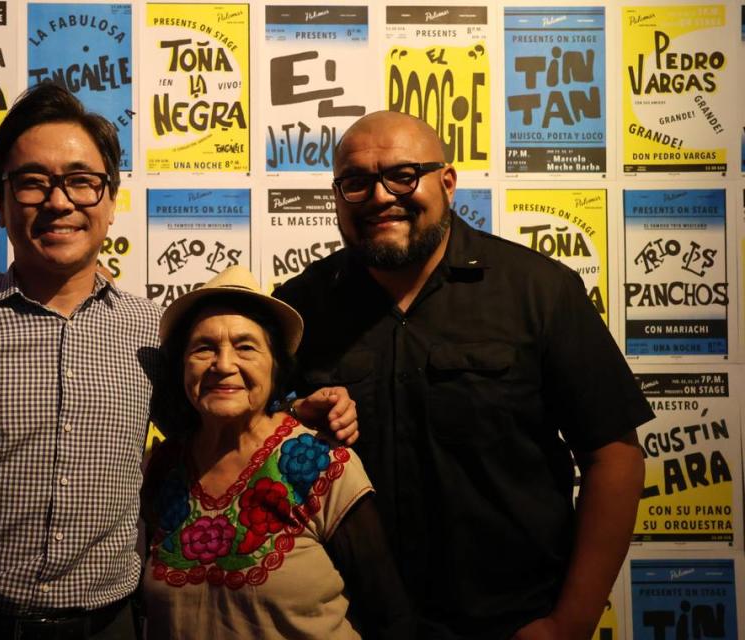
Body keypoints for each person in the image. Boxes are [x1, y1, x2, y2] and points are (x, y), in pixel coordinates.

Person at [0, 84, 356, 640]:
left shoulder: (151, 333)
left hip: (107, 625)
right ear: (0, 200)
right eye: (33, 182)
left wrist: (289, 416)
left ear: (110, 202)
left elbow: (211, 426)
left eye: (81, 182)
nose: (58, 202)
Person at [272, 111, 653, 640]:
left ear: (446, 182)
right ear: (338, 196)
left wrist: (571, 621)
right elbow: (243, 436)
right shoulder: (298, 306)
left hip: (508, 623)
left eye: (404, 175)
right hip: (343, 623)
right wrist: (291, 416)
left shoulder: (539, 290)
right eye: (356, 182)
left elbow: (613, 453)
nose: (381, 196)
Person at [141, 266, 413, 639]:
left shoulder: (322, 464)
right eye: (203, 348)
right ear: (181, 367)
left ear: (276, 366)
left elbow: (390, 617)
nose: (223, 365)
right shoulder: (163, 469)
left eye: (245, 347)